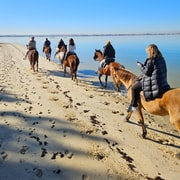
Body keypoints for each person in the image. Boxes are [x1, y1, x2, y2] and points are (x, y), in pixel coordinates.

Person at [127, 44, 171, 112]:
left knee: (134, 88)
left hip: (154, 83)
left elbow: (147, 72)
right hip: (162, 82)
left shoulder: (151, 60)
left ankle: (134, 105)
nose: (147, 53)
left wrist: (140, 65)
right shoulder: (161, 58)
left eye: (147, 51)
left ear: (150, 51)